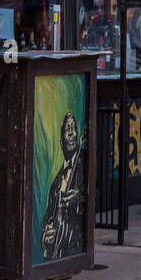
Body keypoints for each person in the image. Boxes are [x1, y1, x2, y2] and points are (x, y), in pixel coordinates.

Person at [40, 111, 85, 260]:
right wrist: (46, 235)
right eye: (67, 129)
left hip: (74, 245)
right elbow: (49, 217)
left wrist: (79, 197)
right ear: (61, 143)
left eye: (73, 128)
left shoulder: (84, 164)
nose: (71, 133)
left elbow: (95, 192)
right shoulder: (56, 183)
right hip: (57, 250)